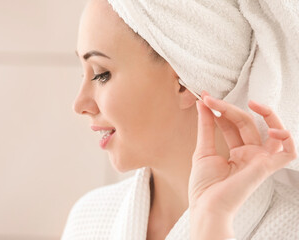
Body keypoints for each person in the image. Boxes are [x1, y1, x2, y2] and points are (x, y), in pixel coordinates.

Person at [62, 0, 299, 239]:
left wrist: (211, 222)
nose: (79, 105)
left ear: (185, 82)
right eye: (84, 73)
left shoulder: (291, 229)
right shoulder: (87, 220)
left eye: (102, 74)